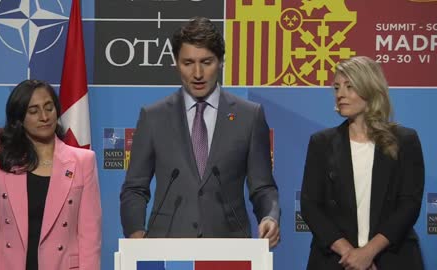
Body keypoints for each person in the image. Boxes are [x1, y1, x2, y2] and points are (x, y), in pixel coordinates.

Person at [120, 17, 280, 247]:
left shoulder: (249, 116)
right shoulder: (153, 117)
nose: (197, 73)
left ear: (221, 62)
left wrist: (269, 216)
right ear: (176, 63)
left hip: (228, 247)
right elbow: (134, 187)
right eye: (188, 63)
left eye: (206, 62)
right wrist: (135, 232)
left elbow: (263, 186)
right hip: (166, 247)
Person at [300, 56, 424, 270]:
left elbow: (409, 205)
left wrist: (368, 253)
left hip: (392, 259)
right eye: (337, 87)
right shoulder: (321, 143)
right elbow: (311, 206)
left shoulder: (405, 140)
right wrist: (351, 255)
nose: (340, 95)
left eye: (349, 87)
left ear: (369, 88)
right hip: (335, 260)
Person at [0, 80, 102, 270]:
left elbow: (90, 236)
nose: (44, 117)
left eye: (49, 108)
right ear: (19, 119)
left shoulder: (83, 161)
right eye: (33, 111)